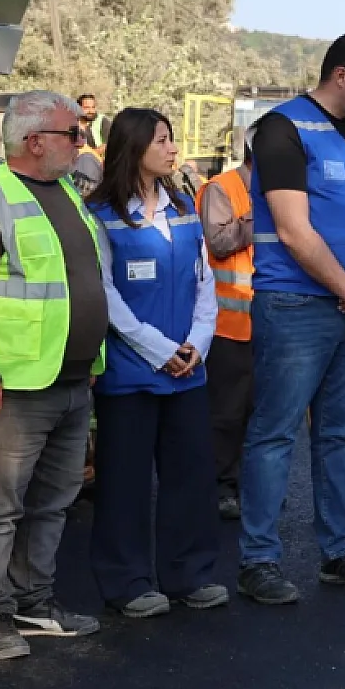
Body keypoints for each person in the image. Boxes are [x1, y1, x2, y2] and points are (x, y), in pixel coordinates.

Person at [239, 31, 345, 604]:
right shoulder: (282, 129)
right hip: (296, 306)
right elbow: (292, 230)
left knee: (342, 434)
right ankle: (258, 559)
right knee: (275, 433)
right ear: (340, 75)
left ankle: (341, 549)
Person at [0, 90, 108, 660]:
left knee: (52, 502)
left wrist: (87, 363)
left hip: (69, 380)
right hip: (13, 387)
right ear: (35, 141)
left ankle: (34, 603)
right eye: (73, 134)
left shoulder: (64, 192)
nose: (81, 145)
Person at [85, 109, 226, 618]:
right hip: (132, 373)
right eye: (162, 140)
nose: (172, 149)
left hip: (188, 369)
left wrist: (196, 344)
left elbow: (203, 283)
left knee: (190, 475)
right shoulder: (99, 216)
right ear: (134, 147)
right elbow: (106, 296)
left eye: (171, 139)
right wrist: (161, 351)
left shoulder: (184, 206)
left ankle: (191, 574)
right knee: (123, 481)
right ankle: (127, 581)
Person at [197, 150, 255, 521]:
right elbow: (219, 242)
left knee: (259, 413)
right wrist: (263, 214)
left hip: (269, 321)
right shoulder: (223, 188)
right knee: (227, 414)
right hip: (229, 323)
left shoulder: (287, 191)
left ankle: (251, 487)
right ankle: (220, 487)